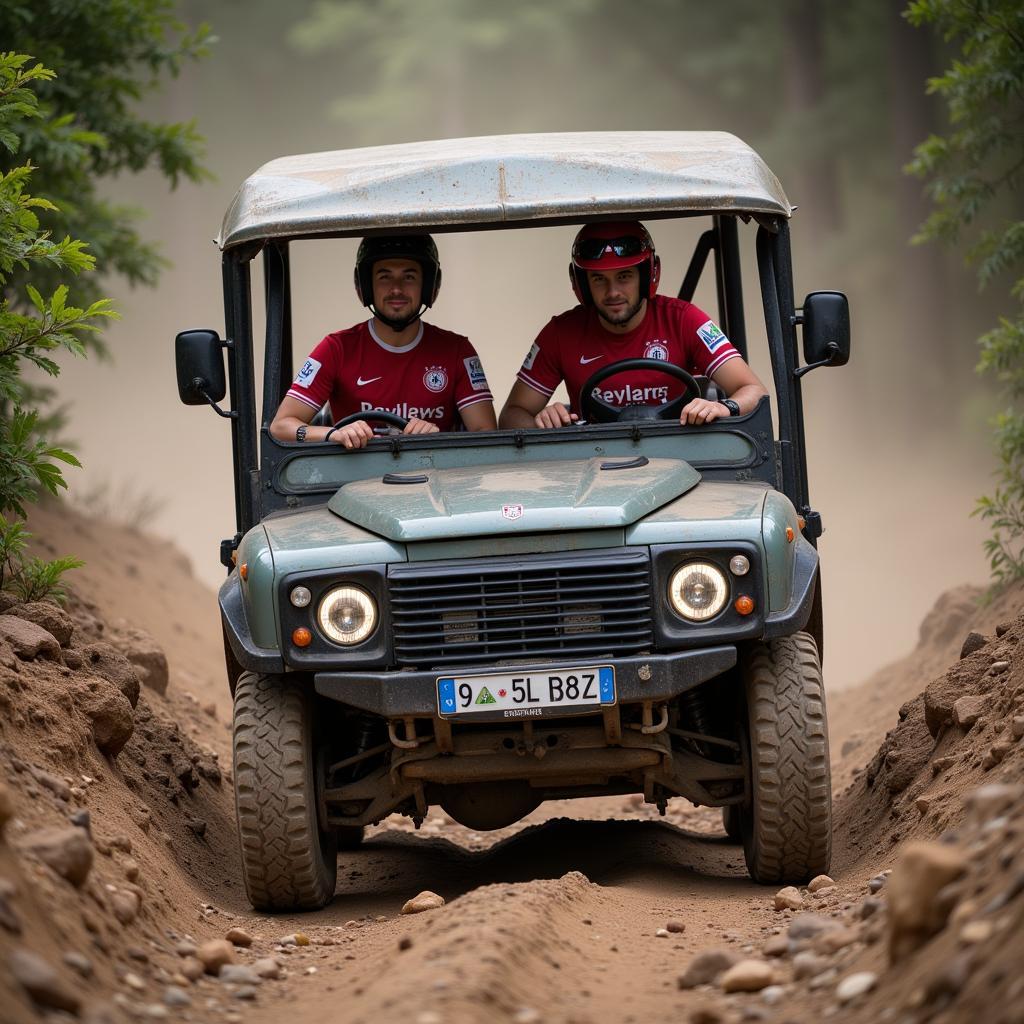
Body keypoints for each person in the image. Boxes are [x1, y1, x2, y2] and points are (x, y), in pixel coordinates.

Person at [499, 221, 767, 429]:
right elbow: (511, 415)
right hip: (593, 467)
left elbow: (754, 390)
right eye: (598, 279)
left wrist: (725, 407)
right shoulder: (560, 333)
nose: (613, 291)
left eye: (624, 276)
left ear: (647, 275)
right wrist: (541, 423)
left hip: (685, 460)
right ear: (581, 284)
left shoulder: (685, 319)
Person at [271, 235, 496, 448]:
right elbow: (281, 426)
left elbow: (486, 433)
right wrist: (333, 434)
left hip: (435, 479)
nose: (396, 289)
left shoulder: (457, 351)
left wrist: (436, 438)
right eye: (384, 277)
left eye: (409, 277)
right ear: (365, 287)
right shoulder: (336, 349)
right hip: (347, 482)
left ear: (428, 287)